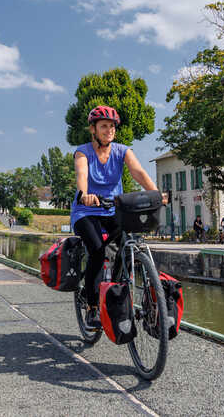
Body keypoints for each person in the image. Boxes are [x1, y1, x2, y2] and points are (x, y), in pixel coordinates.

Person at [70, 105, 166, 331]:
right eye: (104, 126)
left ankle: (115, 290)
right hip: (88, 210)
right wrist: (84, 195)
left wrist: (155, 194)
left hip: (115, 208)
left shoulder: (122, 151)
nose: (109, 130)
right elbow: (81, 174)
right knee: (97, 250)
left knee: (126, 247)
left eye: (112, 126)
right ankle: (92, 306)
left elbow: (138, 172)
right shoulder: (83, 152)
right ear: (93, 129)